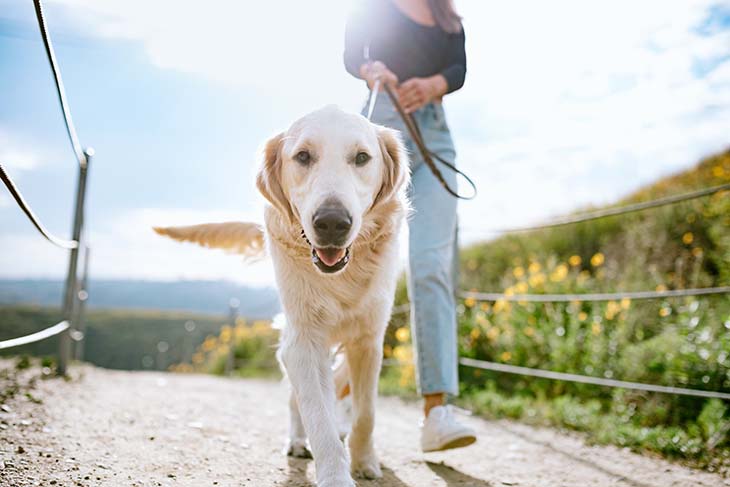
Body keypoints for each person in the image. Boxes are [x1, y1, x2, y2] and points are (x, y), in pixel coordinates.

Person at [340, 0, 476, 452]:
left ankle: (437, 412)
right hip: (378, 129)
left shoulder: (447, 15)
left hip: (435, 135)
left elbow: (458, 68)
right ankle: (339, 387)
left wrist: (435, 83)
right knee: (357, 260)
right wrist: (371, 68)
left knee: (429, 263)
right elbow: (350, 54)